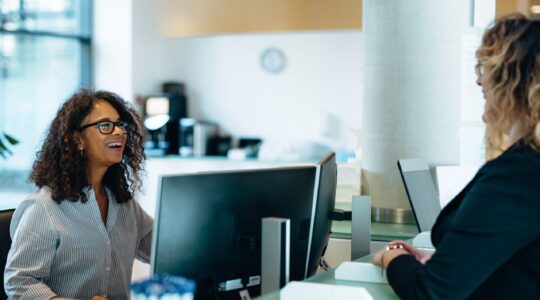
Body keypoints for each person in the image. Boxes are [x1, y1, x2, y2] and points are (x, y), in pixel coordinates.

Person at [372, 13, 540, 299]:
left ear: (513, 82)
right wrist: (455, 264)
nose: (478, 81)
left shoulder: (518, 174)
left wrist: (391, 257)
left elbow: (429, 294)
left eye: (486, 68)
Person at [4, 89, 153, 299]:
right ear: (77, 140)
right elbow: (19, 283)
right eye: (105, 125)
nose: (119, 132)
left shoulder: (124, 204)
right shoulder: (44, 206)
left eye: (120, 125)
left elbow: (161, 247)